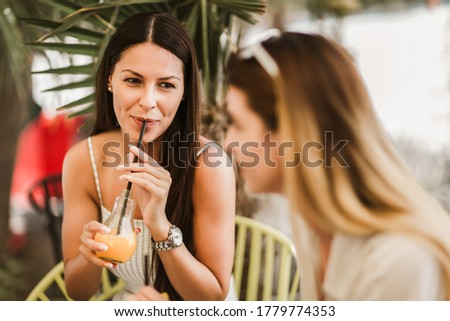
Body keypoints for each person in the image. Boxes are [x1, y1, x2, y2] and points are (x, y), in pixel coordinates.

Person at [224, 31, 450, 300]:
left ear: (290, 133)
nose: (228, 143)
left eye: (237, 124)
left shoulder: (396, 263)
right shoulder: (313, 223)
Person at [62, 12, 236, 301]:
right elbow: (77, 291)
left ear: (183, 92)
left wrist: (159, 225)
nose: (148, 101)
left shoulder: (209, 164)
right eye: (133, 80)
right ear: (109, 80)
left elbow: (213, 297)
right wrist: (89, 255)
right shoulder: (83, 161)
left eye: (166, 85)